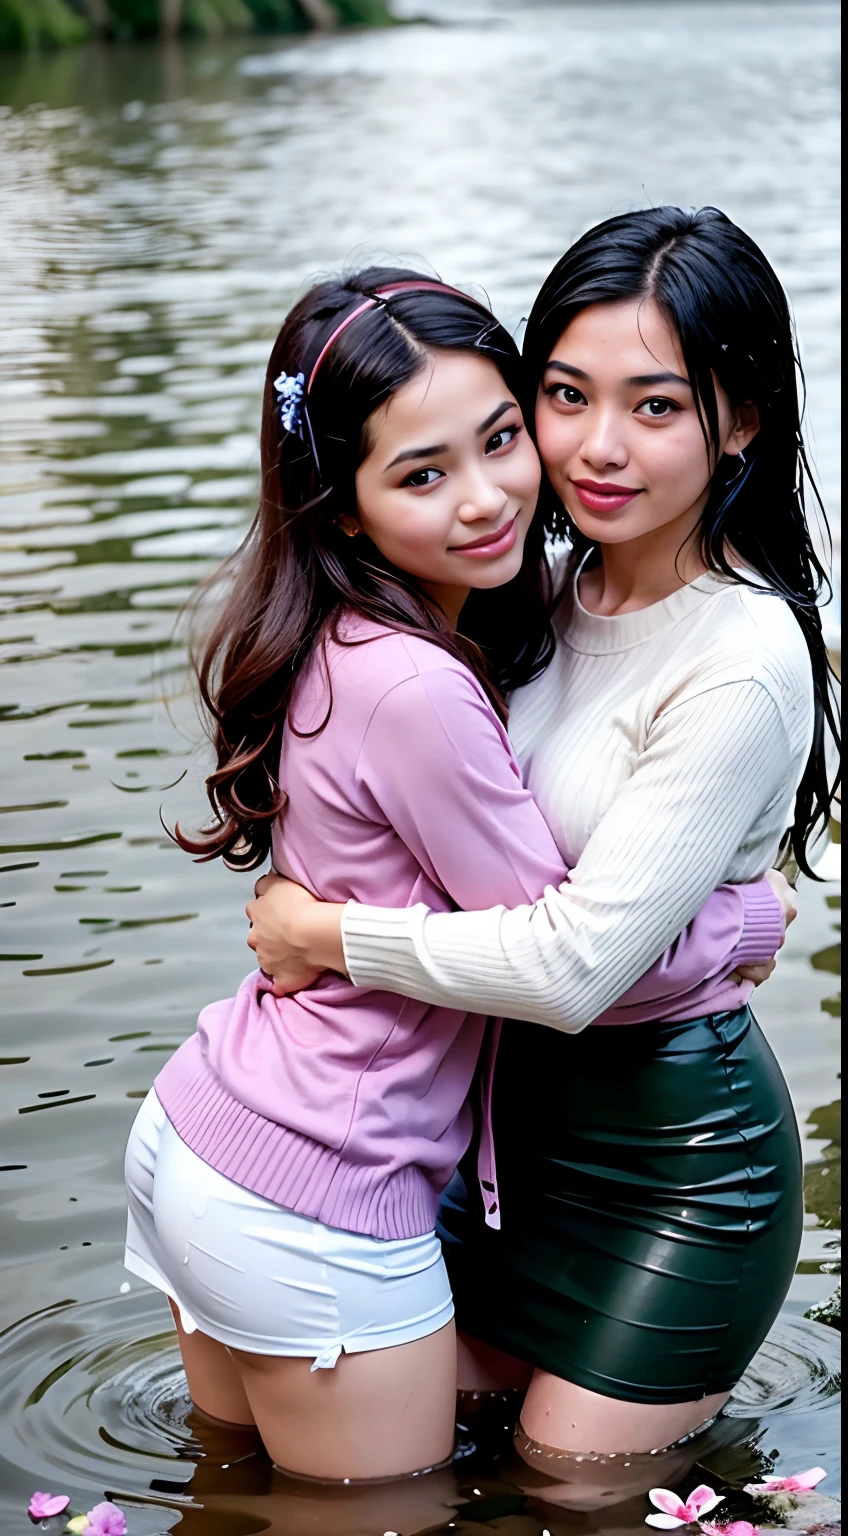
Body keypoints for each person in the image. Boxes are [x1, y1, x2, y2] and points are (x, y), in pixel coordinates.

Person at [122, 263, 787, 1485]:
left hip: (263, 1132)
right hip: (336, 1172)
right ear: (341, 506)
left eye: (498, 438)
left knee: (236, 1495)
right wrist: (734, 922)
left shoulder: (455, 618)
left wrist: (325, 931)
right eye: (564, 397)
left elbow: (565, 958)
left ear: (734, 416)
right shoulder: (456, 644)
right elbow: (565, 953)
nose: (500, 489)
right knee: (378, 1514)